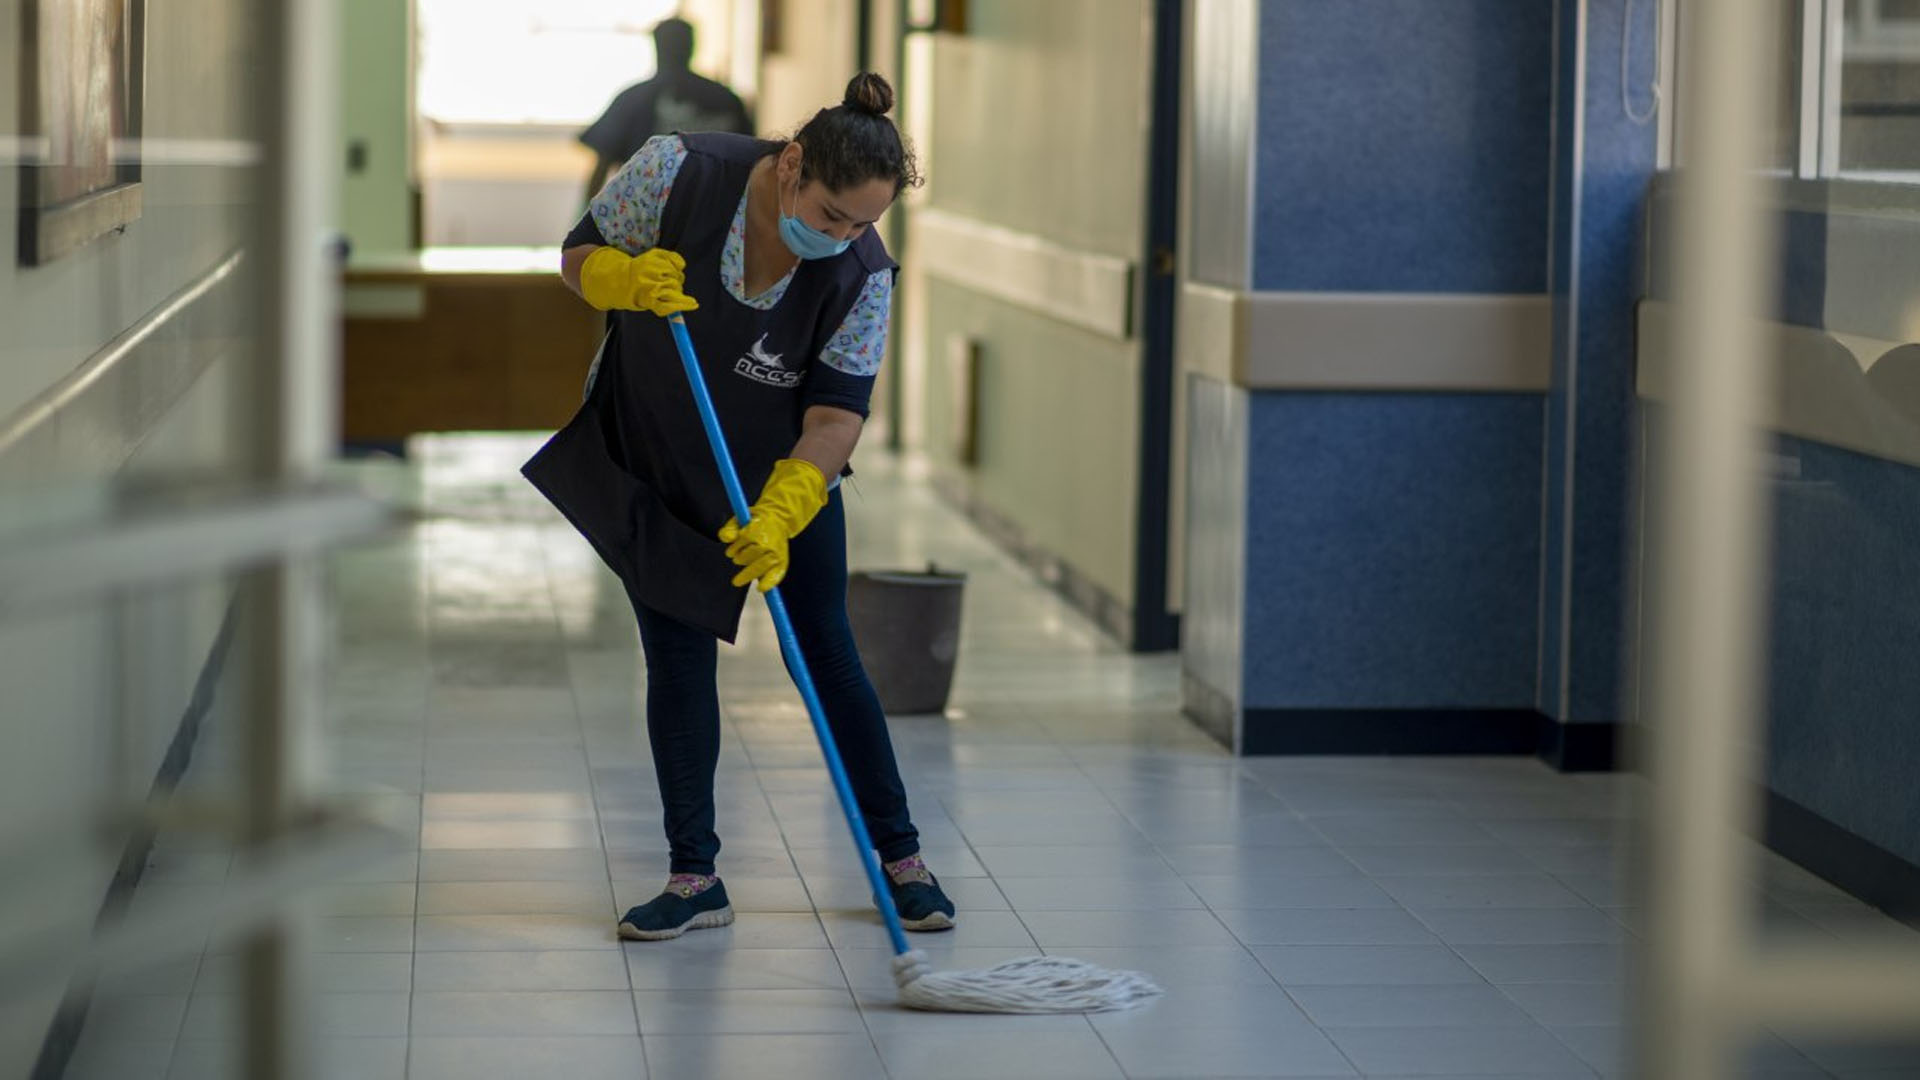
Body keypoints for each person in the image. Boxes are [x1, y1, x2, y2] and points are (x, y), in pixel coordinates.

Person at [523, 72, 957, 941]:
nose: (840, 238)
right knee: (678, 661)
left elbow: (836, 417)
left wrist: (788, 504)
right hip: (655, 455)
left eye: (864, 224)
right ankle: (695, 879)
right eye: (832, 215)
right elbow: (575, 258)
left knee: (826, 657)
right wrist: (620, 278)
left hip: (781, 478)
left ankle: (902, 858)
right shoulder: (676, 170)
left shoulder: (863, 272)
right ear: (792, 164)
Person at [580, 16, 753, 207]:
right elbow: (753, 165)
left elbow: (602, 164)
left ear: (656, 46)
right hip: (714, 216)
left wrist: (585, 220)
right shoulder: (727, 100)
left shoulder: (633, 99)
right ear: (693, 46)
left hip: (646, 217)